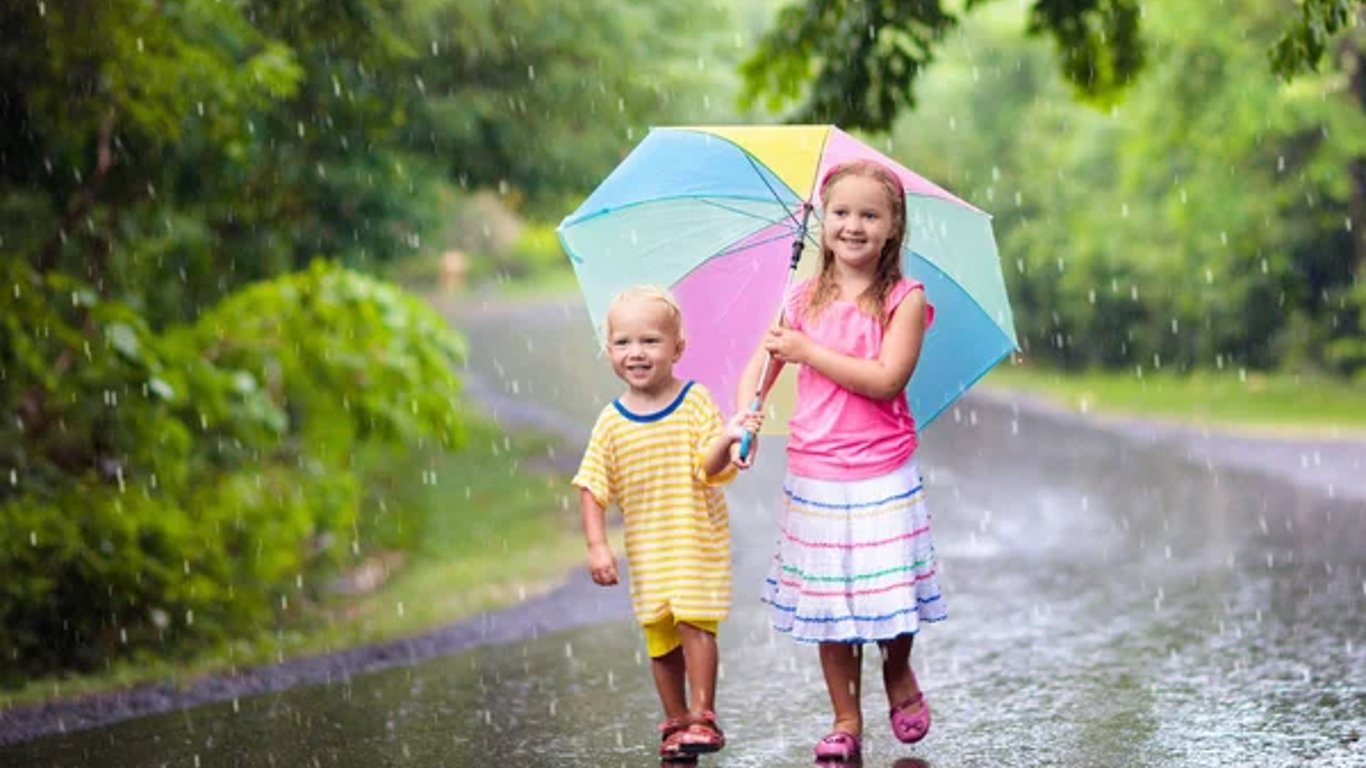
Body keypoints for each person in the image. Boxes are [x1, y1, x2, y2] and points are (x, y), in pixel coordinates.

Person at [736, 160, 945, 762]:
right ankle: (845, 717)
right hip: (816, 469)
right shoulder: (799, 298)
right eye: (842, 213)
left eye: (869, 215)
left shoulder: (903, 300)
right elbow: (763, 366)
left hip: (882, 466)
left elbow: (885, 380)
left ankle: (898, 671)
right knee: (832, 603)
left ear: (892, 227)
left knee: (888, 590)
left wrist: (809, 349)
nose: (853, 225)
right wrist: (744, 415)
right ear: (823, 222)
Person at [572, 285, 762, 760]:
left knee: (695, 622)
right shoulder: (610, 423)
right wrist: (598, 546)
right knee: (660, 634)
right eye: (623, 342)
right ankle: (675, 719)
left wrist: (729, 437)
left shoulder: (695, 401)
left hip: (695, 539)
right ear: (608, 350)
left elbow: (709, 467)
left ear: (678, 349)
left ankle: (704, 714)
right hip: (648, 547)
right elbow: (593, 485)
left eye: (651, 341)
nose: (636, 353)